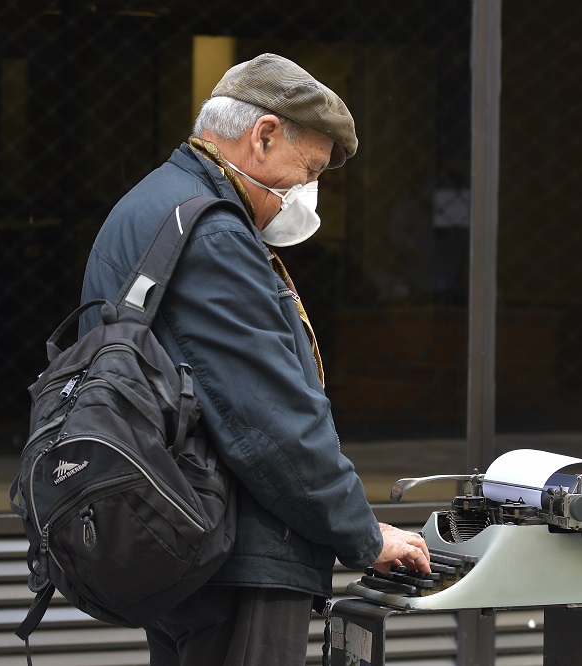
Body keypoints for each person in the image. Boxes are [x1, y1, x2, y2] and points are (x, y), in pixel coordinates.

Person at [79, 53, 431, 666]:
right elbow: (269, 421)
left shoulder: (151, 205)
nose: (305, 193)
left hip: (181, 541)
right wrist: (363, 533)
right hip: (240, 557)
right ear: (263, 135)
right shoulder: (214, 233)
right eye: (308, 170)